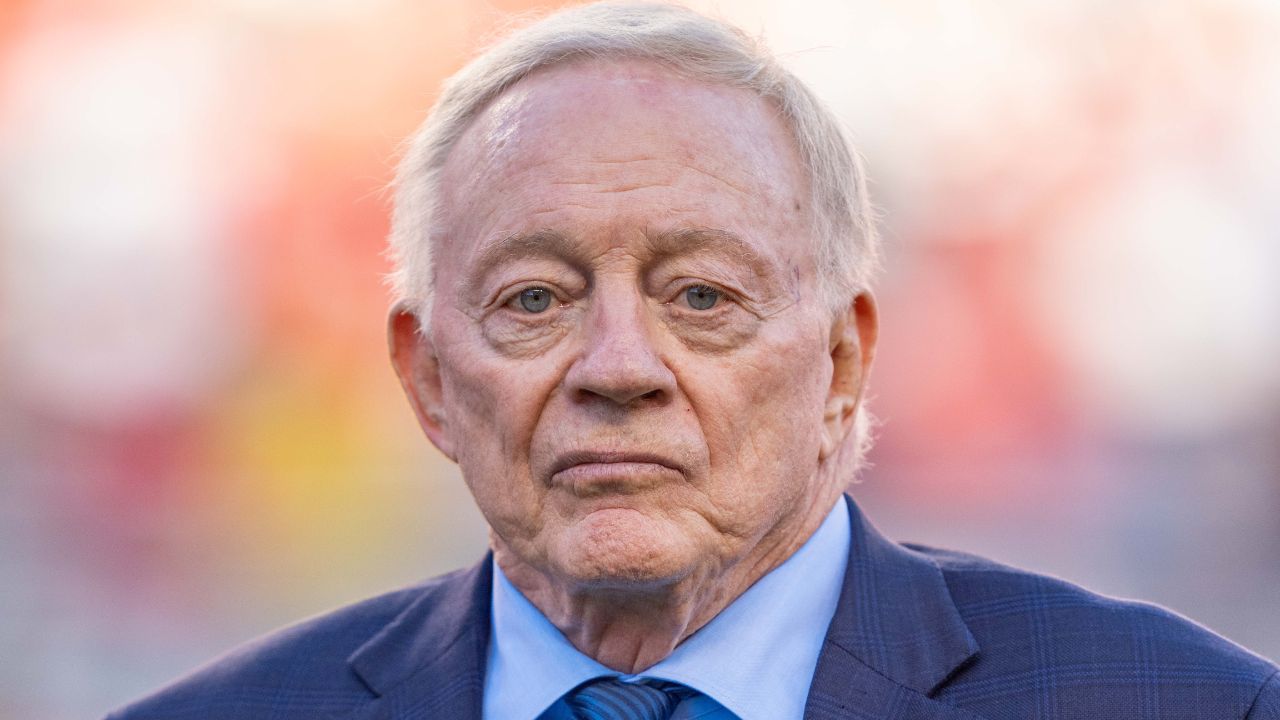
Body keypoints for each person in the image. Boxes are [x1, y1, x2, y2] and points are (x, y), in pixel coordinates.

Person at [108, 2, 1278, 719]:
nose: (618, 366)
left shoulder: (1182, 708)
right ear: (425, 378)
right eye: (533, 299)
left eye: (701, 297)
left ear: (840, 361)